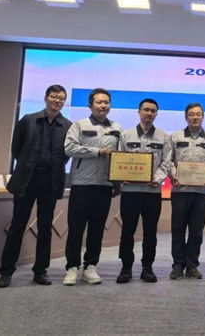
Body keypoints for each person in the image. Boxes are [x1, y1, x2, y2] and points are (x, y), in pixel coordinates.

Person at [0, 85, 72, 288]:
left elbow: (66, 155)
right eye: (54, 97)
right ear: (46, 98)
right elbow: (16, 148)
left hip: (50, 181)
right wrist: (29, 164)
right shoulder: (28, 120)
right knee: (17, 226)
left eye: (61, 98)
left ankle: (40, 271)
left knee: (45, 228)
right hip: (27, 179)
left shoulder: (67, 126)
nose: (57, 101)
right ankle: (6, 272)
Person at [63, 88, 123, 285]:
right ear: (90, 105)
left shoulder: (117, 128)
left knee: (97, 229)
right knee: (76, 228)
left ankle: (90, 266)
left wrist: (119, 180)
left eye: (106, 102)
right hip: (82, 184)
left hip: (104, 186)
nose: (103, 106)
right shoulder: (79, 125)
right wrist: (97, 151)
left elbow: (121, 156)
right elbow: (69, 148)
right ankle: (72, 267)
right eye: (99, 102)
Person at [116, 98, 171, 284]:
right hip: (130, 191)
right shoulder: (126, 135)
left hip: (152, 192)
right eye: (146, 110)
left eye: (153, 111)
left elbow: (167, 162)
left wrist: (157, 178)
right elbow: (119, 158)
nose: (149, 113)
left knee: (150, 232)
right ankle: (126, 267)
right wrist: (121, 175)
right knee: (127, 231)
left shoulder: (163, 137)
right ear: (139, 112)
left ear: (156, 114)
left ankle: (147, 267)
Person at [168, 102, 205, 280]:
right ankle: (177, 265)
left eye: (198, 114)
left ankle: (192, 265)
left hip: (200, 192)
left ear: (203, 117)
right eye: (191, 114)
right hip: (179, 191)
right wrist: (174, 175)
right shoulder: (175, 137)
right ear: (186, 117)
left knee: (196, 231)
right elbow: (168, 161)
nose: (195, 117)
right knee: (178, 229)